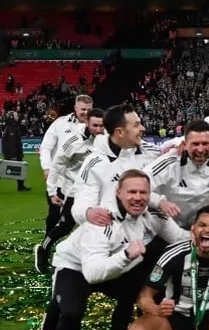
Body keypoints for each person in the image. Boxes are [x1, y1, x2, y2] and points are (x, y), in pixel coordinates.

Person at [31, 170, 190, 330]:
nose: (137, 197)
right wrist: (125, 255)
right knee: (69, 310)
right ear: (118, 193)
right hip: (75, 267)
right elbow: (92, 273)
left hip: (115, 267)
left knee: (134, 292)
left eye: (143, 192)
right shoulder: (103, 220)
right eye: (131, 192)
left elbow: (180, 238)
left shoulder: (153, 216)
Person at [35, 108, 106, 272]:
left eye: (101, 126)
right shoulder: (73, 141)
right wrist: (52, 191)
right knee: (65, 226)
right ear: (87, 123)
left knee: (99, 224)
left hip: (98, 191)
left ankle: (93, 258)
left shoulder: (107, 138)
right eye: (95, 125)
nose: (98, 129)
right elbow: (56, 165)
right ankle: (43, 250)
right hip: (75, 190)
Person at [71, 104, 159, 226]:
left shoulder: (149, 151)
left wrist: (176, 144)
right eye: (136, 125)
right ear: (120, 132)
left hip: (149, 229)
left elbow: (177, 147)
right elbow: (82, 202)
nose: (142, 128)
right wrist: (88, 212)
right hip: (114, 231)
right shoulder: (95, 164)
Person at [145, 119, 209, 228]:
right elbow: (137, 186)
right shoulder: (169, 164)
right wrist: (160, 202)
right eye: (195, 144)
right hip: (172, 229)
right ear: (185, 144)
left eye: (205, 144)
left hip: (207, 228)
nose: (200, 149)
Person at [39, 94, 93, 226]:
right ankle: (49, 237)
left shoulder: (97, 126)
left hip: (86, 181)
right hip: (60, 179)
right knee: (54, 214)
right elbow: (46, 147)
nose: (86, 113)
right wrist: (46, 167)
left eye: (89, 109)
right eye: (83, 109)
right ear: (75, 108)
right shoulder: (60, 123)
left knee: (81, 216)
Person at [1, 111, 28, 191]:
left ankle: (20, 186)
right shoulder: (11, 128)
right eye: (16, 116)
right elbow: (12, 143)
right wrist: (13, 155)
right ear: (12, 117)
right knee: (4, 170)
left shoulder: (11, 127)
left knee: (20, 168)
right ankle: (20, 187)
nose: (17, 117)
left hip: (15, 153)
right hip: (13, 154)